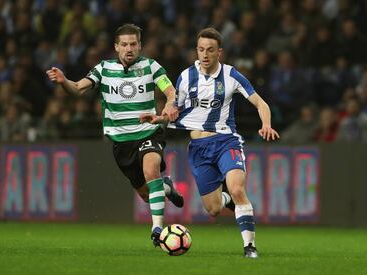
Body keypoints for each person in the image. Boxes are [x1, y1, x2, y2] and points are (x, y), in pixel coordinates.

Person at [140, 27, 280, 258]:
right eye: (201, 49)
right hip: (198, 148)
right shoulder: (185, 77)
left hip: (226, 141)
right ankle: (231, 201)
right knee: (214, 208)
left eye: (210, 50)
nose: (205, 55)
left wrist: (266, 124)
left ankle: (250, 247)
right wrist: (160, 117)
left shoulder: (232, 75)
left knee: (236, 188)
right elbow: (176, 110)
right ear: (196, 50)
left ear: (219, 53)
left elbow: (261, 103)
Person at [46, 23, 183, 247]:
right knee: (148, 194)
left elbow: (170, 90)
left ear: (140, 46)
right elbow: (78, 88)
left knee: (151, 169)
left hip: (148, 131)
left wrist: (169, 103)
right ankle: (166, 186)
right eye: (124, 45)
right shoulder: (103, 68)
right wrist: (64, 82)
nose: (129, 49)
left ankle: (157, 229)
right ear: (116, 47)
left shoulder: (150, 66)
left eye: (133, 44)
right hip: (121, 143)